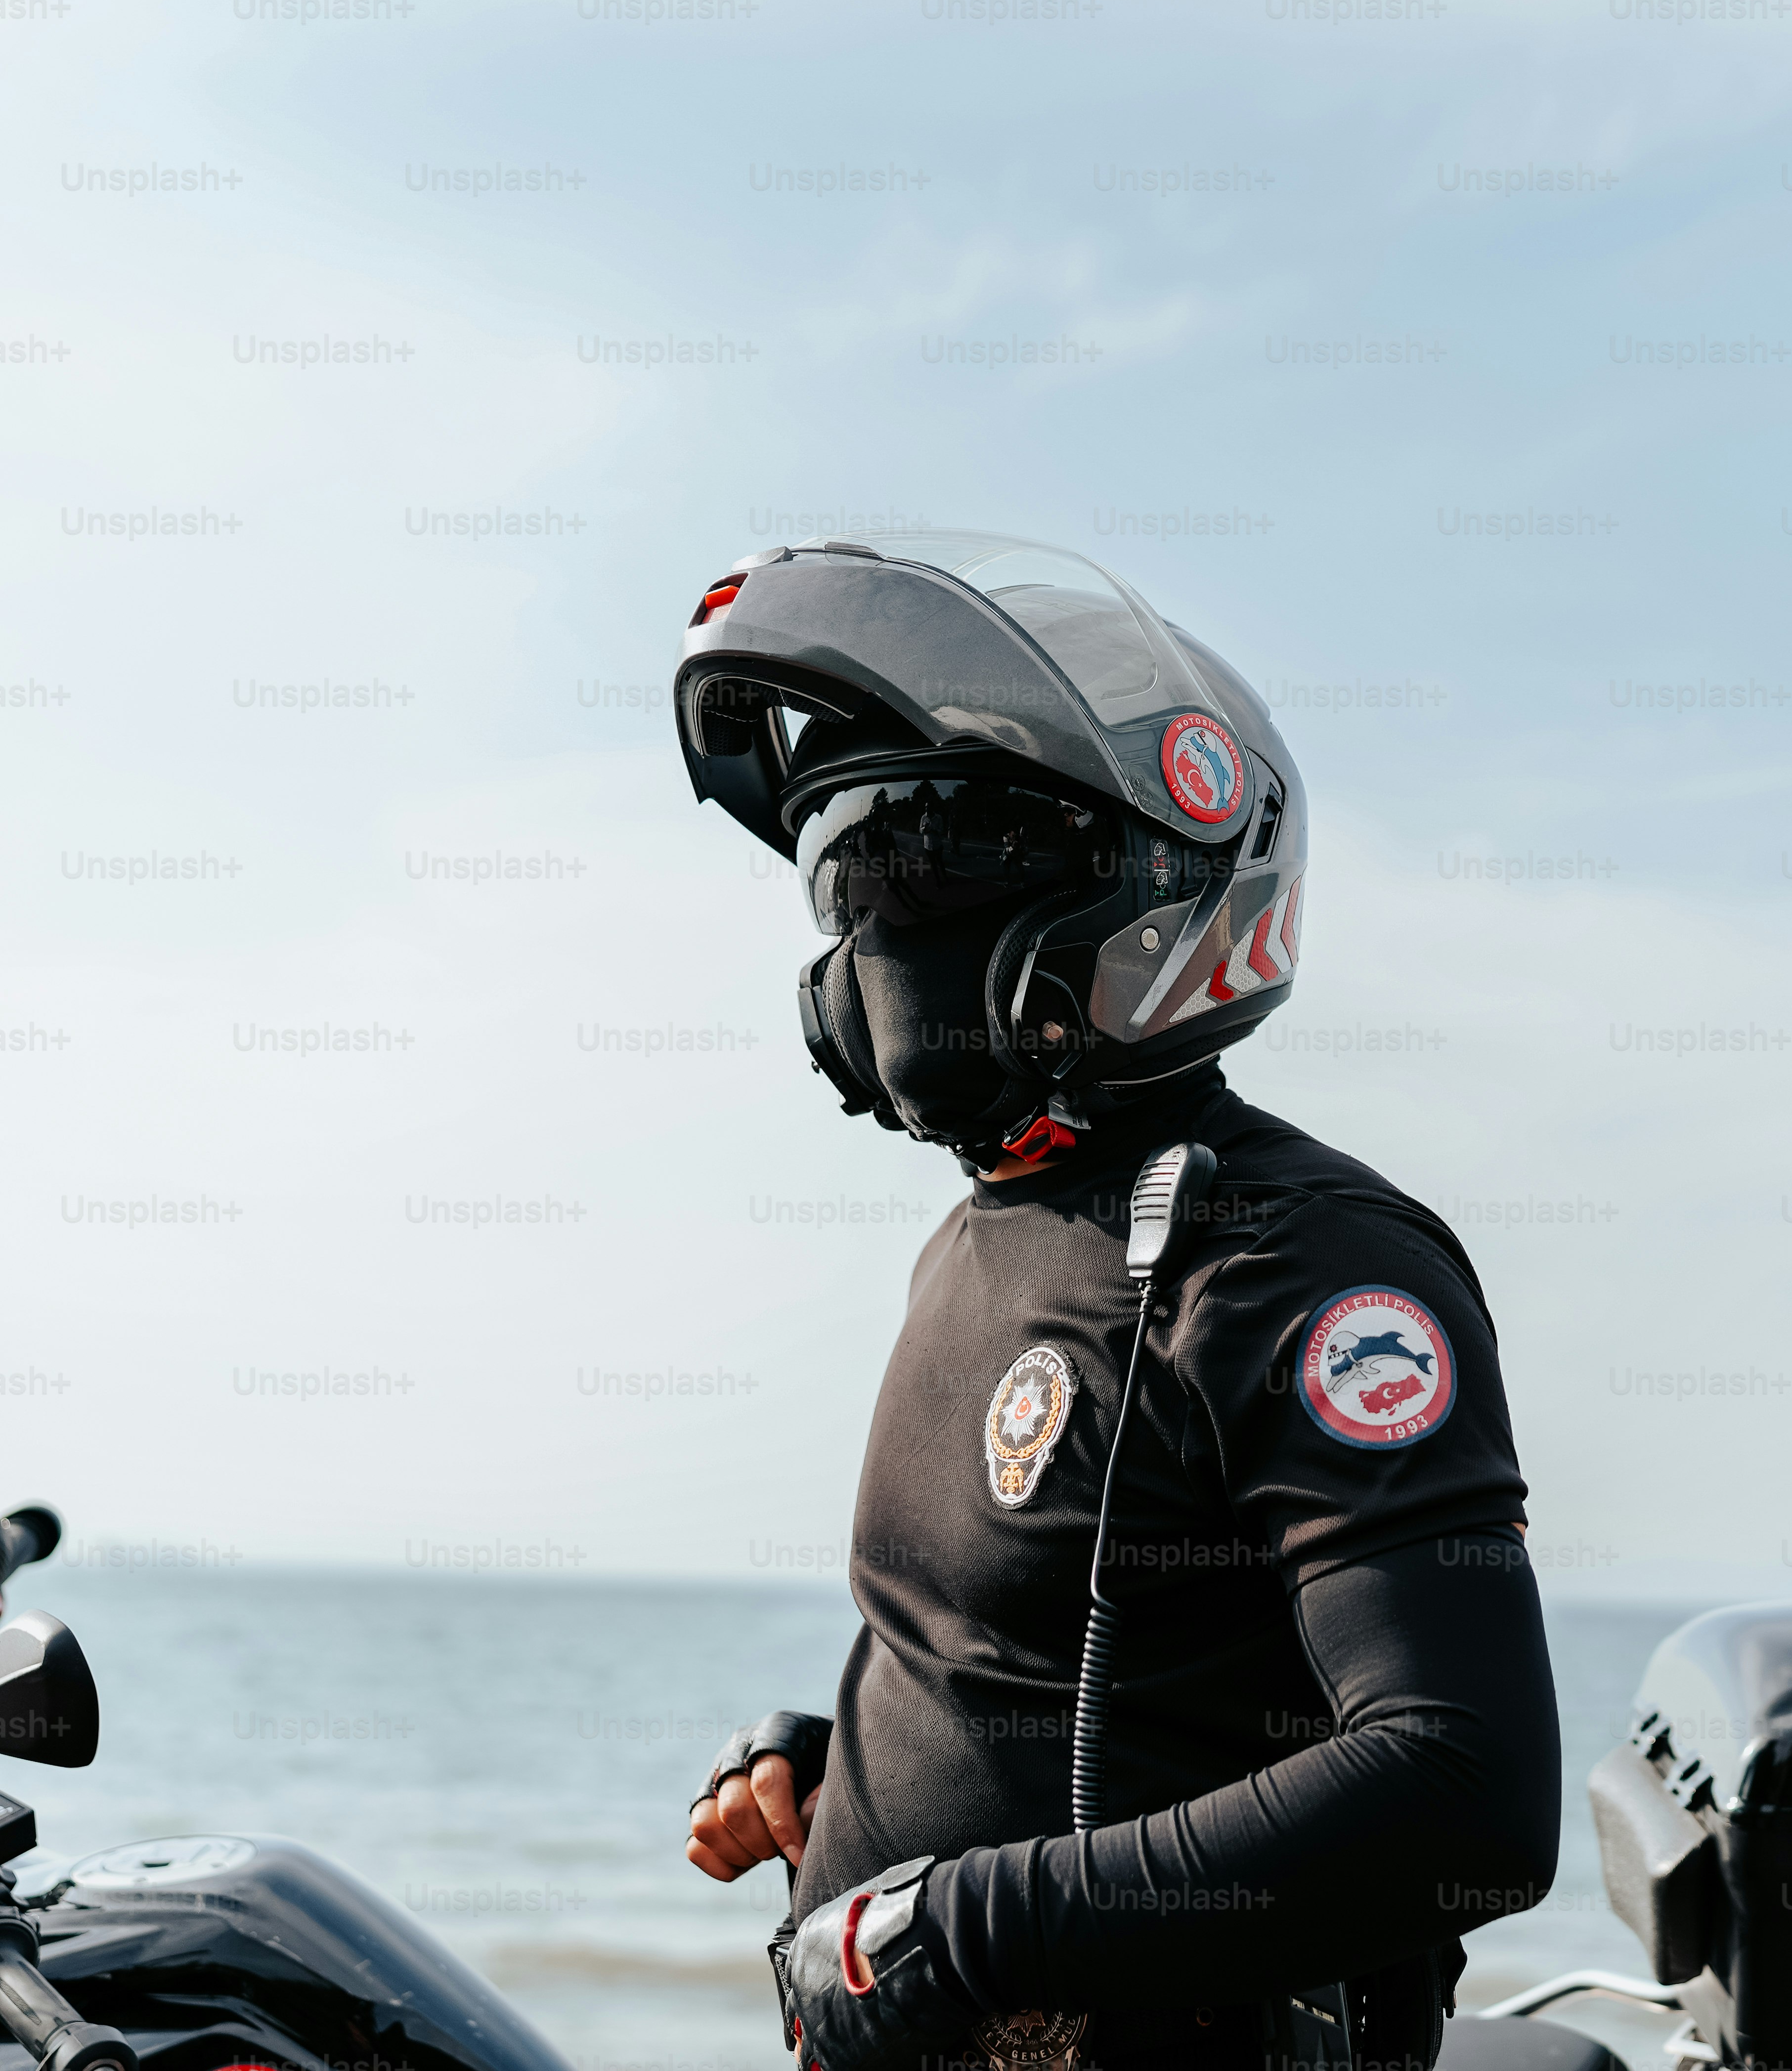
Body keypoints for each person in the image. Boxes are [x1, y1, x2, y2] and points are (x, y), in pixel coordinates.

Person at [664, 534, 1558, 2071]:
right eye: (845, 879)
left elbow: (1461, 1792)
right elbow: (1069, 1669)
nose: (873, 936)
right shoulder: (983, 1241)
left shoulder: (1300, 1259)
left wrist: (958, 1925)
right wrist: (851, 1771)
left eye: (924, 860)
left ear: (1146, 889)